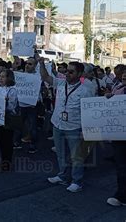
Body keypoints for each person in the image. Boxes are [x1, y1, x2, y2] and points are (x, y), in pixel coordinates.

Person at [38, 55, 94, 193]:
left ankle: (77, 181)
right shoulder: (61, 83)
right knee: (61, 154)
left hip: (74, 127)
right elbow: (45, 77)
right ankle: (62, 176)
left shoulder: (85, 90)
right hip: (57, 124)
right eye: (66, 71)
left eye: (71, 72)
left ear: (79, 74)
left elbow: (90, 111)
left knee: (77, 156)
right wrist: (41, 63)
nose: (67, 74)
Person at [105, 70, 126, 206]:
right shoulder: (118, 88)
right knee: (121, 167)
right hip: (120, 136)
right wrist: (109, 98)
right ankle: (122, 195)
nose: (124, 76)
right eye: (124, 73)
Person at [0, 69, 19, 172]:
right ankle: (4, 160)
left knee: (7, 141)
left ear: (9, 78)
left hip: (7, 119)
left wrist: (3, 103)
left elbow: (12, 106)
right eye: (0, 76)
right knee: (0, 140)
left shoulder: (12, 90)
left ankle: (7, 163)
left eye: (3, 76)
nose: (0, 78)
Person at [17, 57, 41, 153]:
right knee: (18, 125)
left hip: (32, 106)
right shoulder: (20, 75)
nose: (27, 65)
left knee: (32, 127)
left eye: (30, 64)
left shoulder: (38, 77)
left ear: (35, 66)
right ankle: (17, 142)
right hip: (21, 105)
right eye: (27, 63)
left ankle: (33, 144)